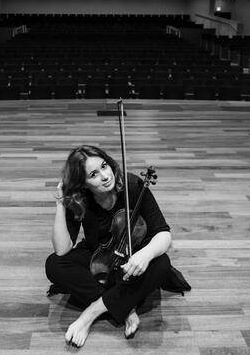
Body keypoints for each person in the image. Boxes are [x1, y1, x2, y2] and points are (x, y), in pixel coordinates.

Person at [46, 145, 173, 348]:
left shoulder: (133, 186)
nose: (105, 176)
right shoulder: (81, 199)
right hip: (100, 254)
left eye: (104, 166)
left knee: (162, 263)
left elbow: (163, 233)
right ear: (83, 184)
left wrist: (146, 255)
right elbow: (62, 249)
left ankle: (93, 311)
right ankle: (125, 306)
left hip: (135, 255)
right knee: (54, 264)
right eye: (93, 174)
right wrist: (61, 203)